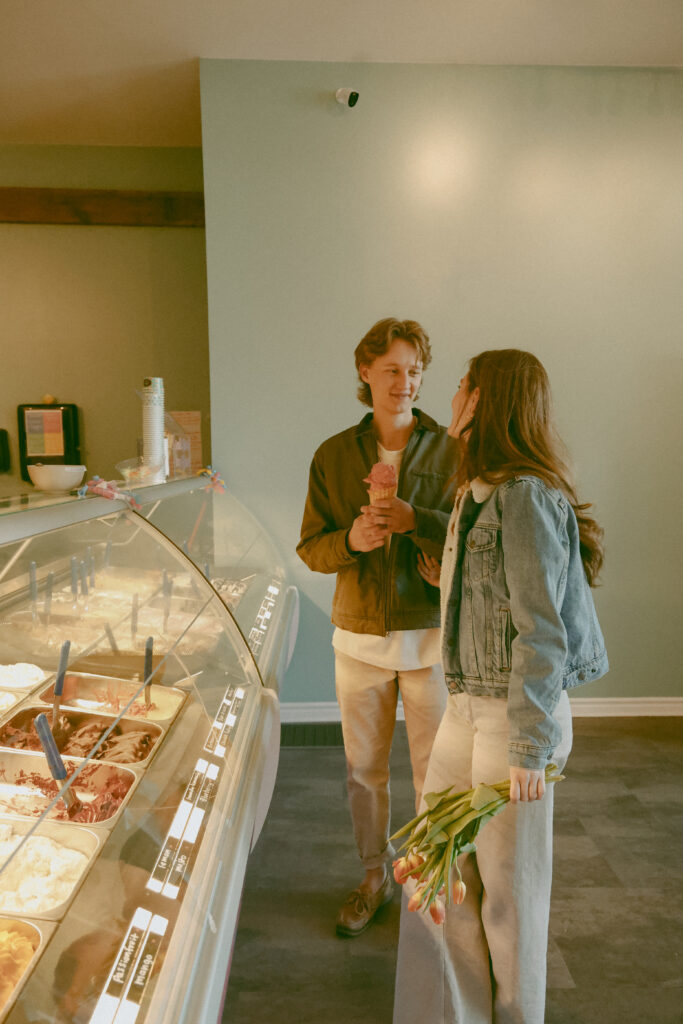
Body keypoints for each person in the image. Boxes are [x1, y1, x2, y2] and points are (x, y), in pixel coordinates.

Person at [393, 349, 609, 1023]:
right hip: (464, 708)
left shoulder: (523, 496)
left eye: (461, 385)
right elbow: (499, 602)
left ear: (485, 400)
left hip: (513, 720)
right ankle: (455, 1012)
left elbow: (542, 632)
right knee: (437, 865)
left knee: (509, 898)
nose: (450, 395)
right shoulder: (471, 492)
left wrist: (528, 746)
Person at [297, 317, 457, 937]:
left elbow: (470, 538)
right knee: (364, 772)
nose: (405, 382)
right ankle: (373, 876)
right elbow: (312, 548)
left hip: (430, 640)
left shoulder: (452, 451)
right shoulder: (333, 455)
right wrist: (352, 539)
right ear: (365, 372)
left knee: (433, 774)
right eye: (392, 369)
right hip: (358, 640)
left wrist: (426, 532)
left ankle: (431, 878)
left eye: (414, 370)